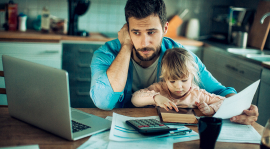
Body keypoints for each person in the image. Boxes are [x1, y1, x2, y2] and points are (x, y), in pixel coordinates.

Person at [90, 0, 259, 125]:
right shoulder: (107, 54)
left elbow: (220, 91)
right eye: (136, 32)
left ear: (165, 28)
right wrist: (126, 45)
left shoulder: (180, 55)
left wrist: (240, 107)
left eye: (151, 32)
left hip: (166, 130)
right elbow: (103, 102)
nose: (144, 42)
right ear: (127, 30)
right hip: (119, 129)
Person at [131, 48, 225, 116]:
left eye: (184, 80)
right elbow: (135, 99)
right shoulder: (159, 89)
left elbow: (226, 102)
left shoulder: (198, 95)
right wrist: (156, 98)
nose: (179, 87)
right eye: (172, 81)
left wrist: (211, 109)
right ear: (165, 78)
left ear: (192, 77)